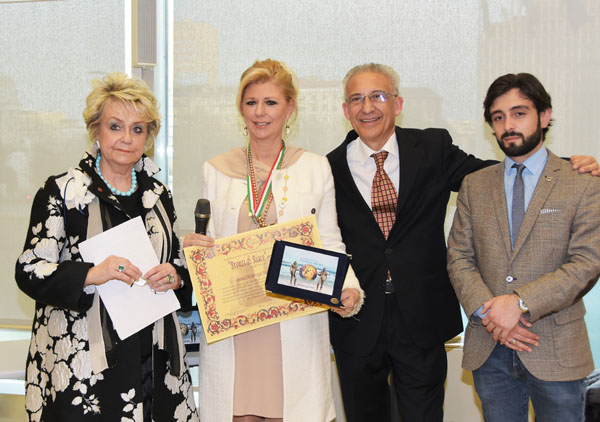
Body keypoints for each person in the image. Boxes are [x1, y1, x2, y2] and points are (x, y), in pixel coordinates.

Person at [326, 63, 600, 422]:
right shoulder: (326, 168)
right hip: (357, 321)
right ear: (345, 110)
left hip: (420, 319)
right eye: (356, 99)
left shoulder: (431, 148)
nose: (367, 107)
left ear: (398, 103)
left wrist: (565, 166)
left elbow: (496, 172)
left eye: (378, 96)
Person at [183, 59, 364, 422]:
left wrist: (349, 288)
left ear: (289, 108)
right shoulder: (216, 169)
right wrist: (195, 251)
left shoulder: (315, 167)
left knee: (293, 409)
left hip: (293, 320)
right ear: (240, 108)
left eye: (271, 102)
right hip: (235, 326)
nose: (260, 113)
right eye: (251, 102)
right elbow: (211, 243)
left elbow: (329, 240)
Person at [15, 73, 198, 422]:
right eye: (115, 126)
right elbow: (29, 270)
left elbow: (179, 266)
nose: (126, 138)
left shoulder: (159, 195)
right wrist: (91, 274)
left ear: (148, 137)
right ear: (95, 130)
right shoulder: (63, 192)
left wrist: (176, 276)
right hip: (84, 368)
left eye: (137, 129)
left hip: (153, 359)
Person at [447, 73, 600, 422]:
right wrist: (491, 314)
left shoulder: (581, 182)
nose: (508, 125)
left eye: (519, 113)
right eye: (498, 117)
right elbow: (459, 257)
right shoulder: (474, 185)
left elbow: (587, 262)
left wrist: (519, 304)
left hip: (557, 347)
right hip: (490, 347)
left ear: (544, 116)